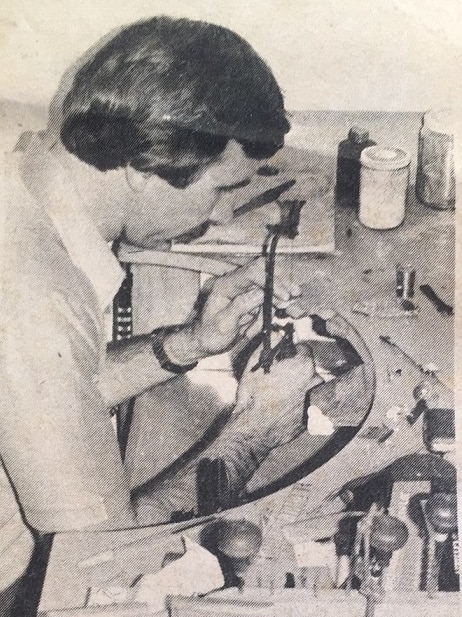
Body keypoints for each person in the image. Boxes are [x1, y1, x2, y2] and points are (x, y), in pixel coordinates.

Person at [0, 16, 322, 611]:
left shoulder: (21, 178)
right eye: (221, 190)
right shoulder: (33, 295)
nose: (225, 218)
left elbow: (61, 386)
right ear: (147, 166)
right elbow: (103, 567)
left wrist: (189, 342)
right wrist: (252, 433)